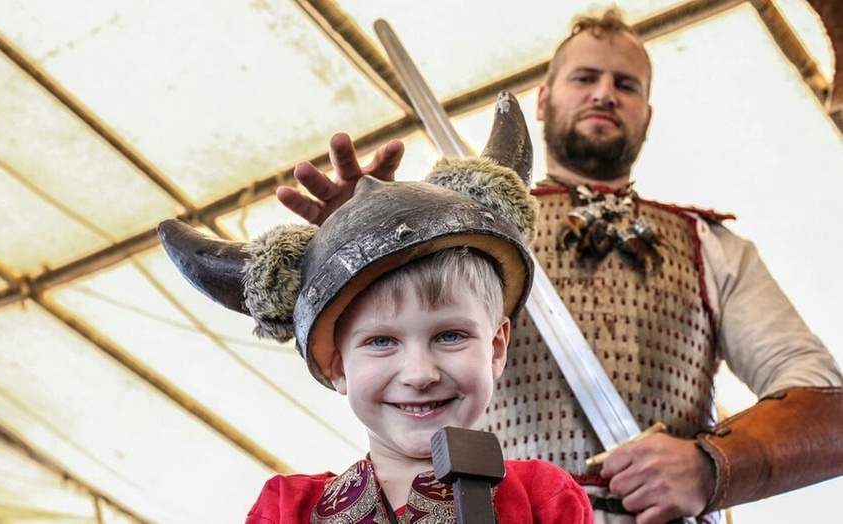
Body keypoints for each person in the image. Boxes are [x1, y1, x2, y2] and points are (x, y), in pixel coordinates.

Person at [275, 7, 843, 524]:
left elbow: (826, 408)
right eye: (585, 78)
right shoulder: (457, 235)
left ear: (647, 112)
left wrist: (711, 464)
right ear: (543, 99)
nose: (604, 94)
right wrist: (366, 242)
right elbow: (383, 351)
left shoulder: (713, 246)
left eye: (626, 84)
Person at [157, 98, 593, 522]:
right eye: (381, 341)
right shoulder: (288, 510)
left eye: (450, 335)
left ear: (497, 348)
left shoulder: (545, 500)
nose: (420, 374)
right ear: (337, 365)